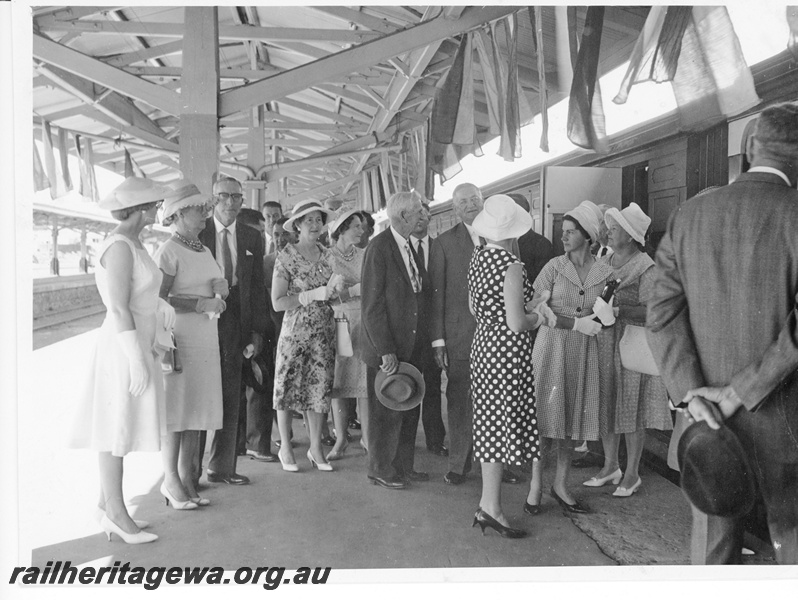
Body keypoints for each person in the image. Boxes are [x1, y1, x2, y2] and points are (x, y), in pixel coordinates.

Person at [647, 102, 798, 565]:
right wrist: (741, 391)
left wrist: (693, 394)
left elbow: (660, 311)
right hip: (787, 424)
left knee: (713, 545)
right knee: (790, 539)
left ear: (750, 147)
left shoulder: (690, 214)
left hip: (704, 421)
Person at [67, 176, 171, 544]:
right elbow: (117, 306)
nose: (159, 210)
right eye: (155, 205)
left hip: (139, 339)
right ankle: (115, 512)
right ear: (142, 209)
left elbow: (140, 293)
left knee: (121, 422)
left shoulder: (136, 243)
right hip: (122, 345)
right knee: (116, 426)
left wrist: (161, 310)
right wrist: (135, 358)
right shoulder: (120, 245)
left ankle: (105, 504)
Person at [468, 195, 554, 539]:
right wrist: (540, 316)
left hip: (484, 348)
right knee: (505, 424)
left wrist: (523, 307)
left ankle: (490, 505)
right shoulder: (511, 265)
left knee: (489, 424)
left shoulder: (478, 260)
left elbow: (477, 310)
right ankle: (491, 507)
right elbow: (518, 323)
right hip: (508, 353)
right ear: (513, 231)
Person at [430, 183, 523, 486]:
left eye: (475, 199)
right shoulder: (443, 243)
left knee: (500, 403)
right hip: (460, 338)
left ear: (483, 202)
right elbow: (437, 295)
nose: (470, 205)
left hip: (500, 340)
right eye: (463, 201)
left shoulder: (506, 237)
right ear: (454, 209)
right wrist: (439, 340)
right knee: (459, 402)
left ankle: (502, 464)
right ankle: (459, 463)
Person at [583, 203, 671, 496]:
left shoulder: (646, 266)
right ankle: (610, 466)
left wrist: (617, 310)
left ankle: (632, 473)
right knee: (607, 402)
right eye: (609, 226)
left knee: (632, 408)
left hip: (630, 344)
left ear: (631, 236)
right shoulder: (604, 262)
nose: (608, 231)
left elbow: (653, 311)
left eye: (616, 228)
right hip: (604, 341)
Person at [532, 202, 614, 514]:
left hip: (583, 351)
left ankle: (561, 485)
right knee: (544, 418)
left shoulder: (605, 272)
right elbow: (535, 306)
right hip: (552, 348)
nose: (564, 237)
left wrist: (606, 317)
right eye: (563, 232)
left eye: (570, 232)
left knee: (571, 420)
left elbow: (605, 313)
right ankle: (536, 485)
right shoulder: (554, 267)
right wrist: (569, 321)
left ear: (588, 235)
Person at [155, 181, 228, 508]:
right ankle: (170, 479)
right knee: (178, 410)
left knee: (196, 408)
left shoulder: (204, 248)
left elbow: (209, 290)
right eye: (199, 211)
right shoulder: (169, 250)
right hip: (181, 336)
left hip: (205, 336)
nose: (205, 216)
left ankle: (187, 476)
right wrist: (199, 304)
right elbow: (159, 299)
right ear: (179, 214)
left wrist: (219, 292)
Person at [197, 176, 269, 485]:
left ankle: (222, 467)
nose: (230, 202)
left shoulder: (252, 237)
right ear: (213, 199)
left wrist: (256, 332)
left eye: (236, 197)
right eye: (224, 196)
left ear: (242, 201)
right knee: (200, 398)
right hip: (201, 321)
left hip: (237, 322)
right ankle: (188, 473)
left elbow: (255, 288)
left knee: (231, 394)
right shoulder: (197, 232)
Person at [361, 190, 430, 489]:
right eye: (418, 212)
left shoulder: (407, 246)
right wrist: (385, 350)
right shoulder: (379, 248)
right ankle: (380, 468)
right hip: (389, 345)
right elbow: (372, 306)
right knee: (385, 412)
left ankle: (403, 466)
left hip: (411, 342)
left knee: (407, 406)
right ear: (403, 217)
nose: (423, 216)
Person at [271, 199, 342, 472]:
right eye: (309, 220)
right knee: (287, 387)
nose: (315, 225)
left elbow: (333, 298)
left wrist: (336, 292)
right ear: (298, 225)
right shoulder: (286, 256)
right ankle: (286, 448)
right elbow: (278, 302)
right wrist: (311, 295)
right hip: (295, 332)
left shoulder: (328, 255)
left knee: (319, 389)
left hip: (323, 331)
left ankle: (315, 448)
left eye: (318, 220)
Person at [326, 207, 369, 460]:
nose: (361, 232)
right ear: (342, 229)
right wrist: (352, 291)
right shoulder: (327, 257)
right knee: (340, 382)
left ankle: (367, 438)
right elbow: (327, 294)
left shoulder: (365, 254)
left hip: (363, 320)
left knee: (363, 381)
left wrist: (356, 290)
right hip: (340, 320)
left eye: (362, 227)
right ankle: (341, 439)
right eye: (356, 227)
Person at [411, 202, 447, 457]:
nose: (421, 218)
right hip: (409, 333)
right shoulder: (400, 248)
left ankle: (435, 440)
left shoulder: (440, 247)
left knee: (433, 387)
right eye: (417, 214)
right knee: (409, 386)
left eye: (425, 214)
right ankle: (407, 441)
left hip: (433, 331)